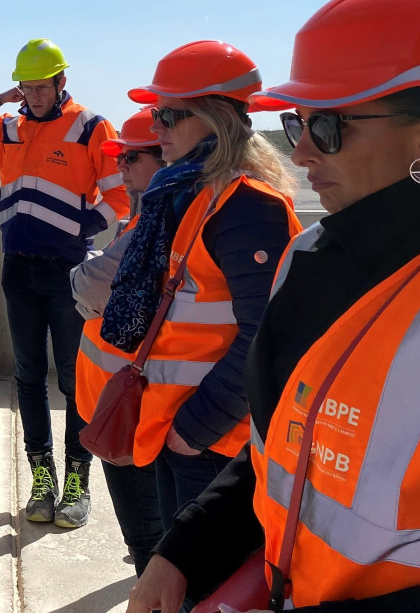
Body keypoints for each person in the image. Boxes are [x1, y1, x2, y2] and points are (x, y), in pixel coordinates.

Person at [129, 0, 420, 613]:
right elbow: (281, 450)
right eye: (298, 124)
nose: (299, 153)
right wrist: (185, 550)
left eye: (326, 125)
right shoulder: (313, 257)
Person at [96, 41, 301, 534]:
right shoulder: (187, 197)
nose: (156, 126)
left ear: (214, 118)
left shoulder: (249, 210)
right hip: (172, 427)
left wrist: (195, 430)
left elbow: (270, 337)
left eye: (169, 114)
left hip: (210, 441)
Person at [0, 38, 129, 528]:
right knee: (29, 376)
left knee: (74, 381)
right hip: (19, 269)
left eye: (42, 86)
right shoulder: (10, 125)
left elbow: (120, 199)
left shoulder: (91, 126)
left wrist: (78, 231)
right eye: (26, 87)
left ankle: (76, 480)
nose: (34, 95)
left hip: (68, 272)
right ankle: (42, 478)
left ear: (61, 82)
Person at [72, 105, 168, 573]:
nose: (120, 167)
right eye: (120, 157)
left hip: (134, 415)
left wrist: (82, 279)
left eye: (132, 158)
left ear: (166, 158)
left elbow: (91, 287)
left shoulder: (157, 222)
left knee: (151, 539)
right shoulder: (141, 218)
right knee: (152, 536)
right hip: (117, 407)